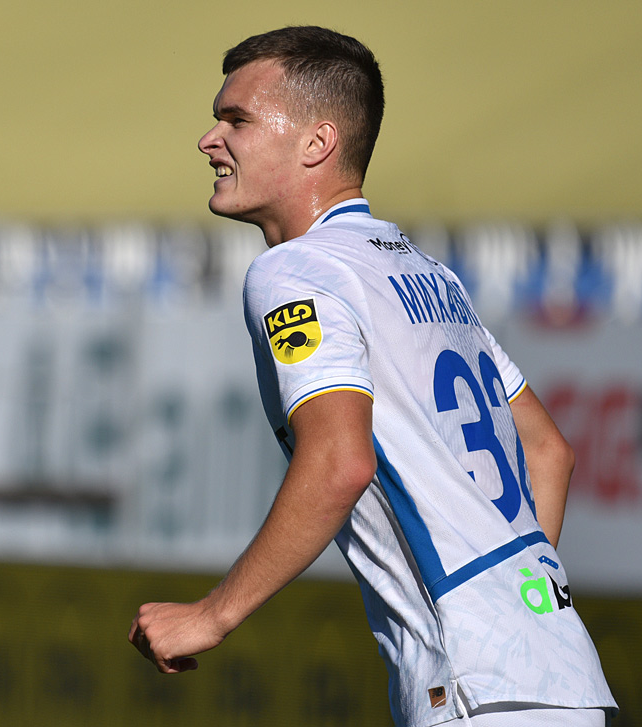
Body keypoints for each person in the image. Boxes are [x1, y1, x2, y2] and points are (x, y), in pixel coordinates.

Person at [128, 26, 617, 726]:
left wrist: (212, 614)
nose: (210, 140)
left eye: (236, 120)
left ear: (317, 143)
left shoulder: (295, 269)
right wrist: (511, 605)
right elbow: (548, 451)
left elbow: (339, 460)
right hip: (557, 674)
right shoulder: (426, 271)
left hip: (477, 691)